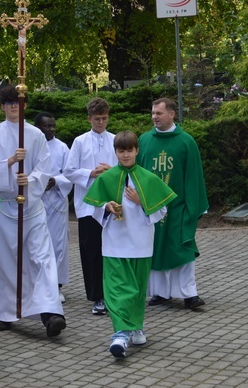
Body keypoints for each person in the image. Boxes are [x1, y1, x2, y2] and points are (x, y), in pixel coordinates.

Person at [0, 85, 67, 337]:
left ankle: (51, 312)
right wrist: (9, 163)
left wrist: (28, 181)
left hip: (31, 207)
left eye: (18, 104)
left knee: (42, 258)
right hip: (5, 209)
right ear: (2, 107)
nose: (14, 108)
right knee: (5, 262)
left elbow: (44, 167)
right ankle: (5, 313)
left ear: (25, 106)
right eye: (9, 104)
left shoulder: (36, 136)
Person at [83, 130, 177, 358]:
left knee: (137, 289)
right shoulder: (106, 178)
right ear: (115, 152)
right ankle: (121, 334)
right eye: (121, 151)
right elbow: (93, 207)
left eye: (129, 150)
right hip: (115, 243)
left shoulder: (148, 178)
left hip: (141, 243)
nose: (125, 155)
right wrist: (106, 207)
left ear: (137, 150)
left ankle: (137, 325)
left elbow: (162, 210)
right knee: (117, 289)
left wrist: (141, 200)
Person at [137, 97, 209, 310]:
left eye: (159, 113)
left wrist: (193, 206)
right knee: (156, 248)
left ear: (171, 114)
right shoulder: (144, 141)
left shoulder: (186, 142)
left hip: (178, 206)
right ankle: (160, 293)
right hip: (152, 206)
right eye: (152, 113)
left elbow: (194, 176)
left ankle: (189, 294)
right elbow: (138, 174)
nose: (154, 117)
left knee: (182, 247)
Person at [63, 97, 117, 315]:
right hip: (87, 206)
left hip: (111, 204)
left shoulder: (115, 140)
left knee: (111, 250)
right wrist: (90, 173)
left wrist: (110, 170)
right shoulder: (80, 142)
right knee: (91, 250)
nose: (101, 123)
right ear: (89, 119)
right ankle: (96, 296)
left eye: (104, 118)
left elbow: (125, 166)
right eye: (97, 119)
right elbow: (68, 170)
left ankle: (112, 293)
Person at [34, 112, 73, 304]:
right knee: (37, 244)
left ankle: (56, 287)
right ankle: (38, 284)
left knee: (58, 245)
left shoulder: (62, 147)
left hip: (56, 201)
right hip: (36, 202)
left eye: (53, 126)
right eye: (47, 126)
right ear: (38, 128)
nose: (52, 129)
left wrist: (55, 180)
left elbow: (70, 173)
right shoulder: (31, 145)